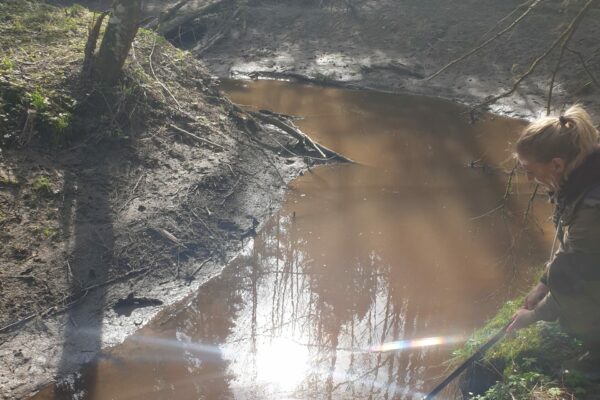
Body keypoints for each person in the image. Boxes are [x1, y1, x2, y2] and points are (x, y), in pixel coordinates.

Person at [508, 104, 600, 372]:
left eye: (530, 170)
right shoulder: (582, 173)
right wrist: (541, 285)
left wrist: (533, 316)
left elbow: (574, 270)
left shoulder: (593, 204)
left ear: (557, 164)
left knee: (567, 279)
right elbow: (572, 246)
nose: (528, 177)